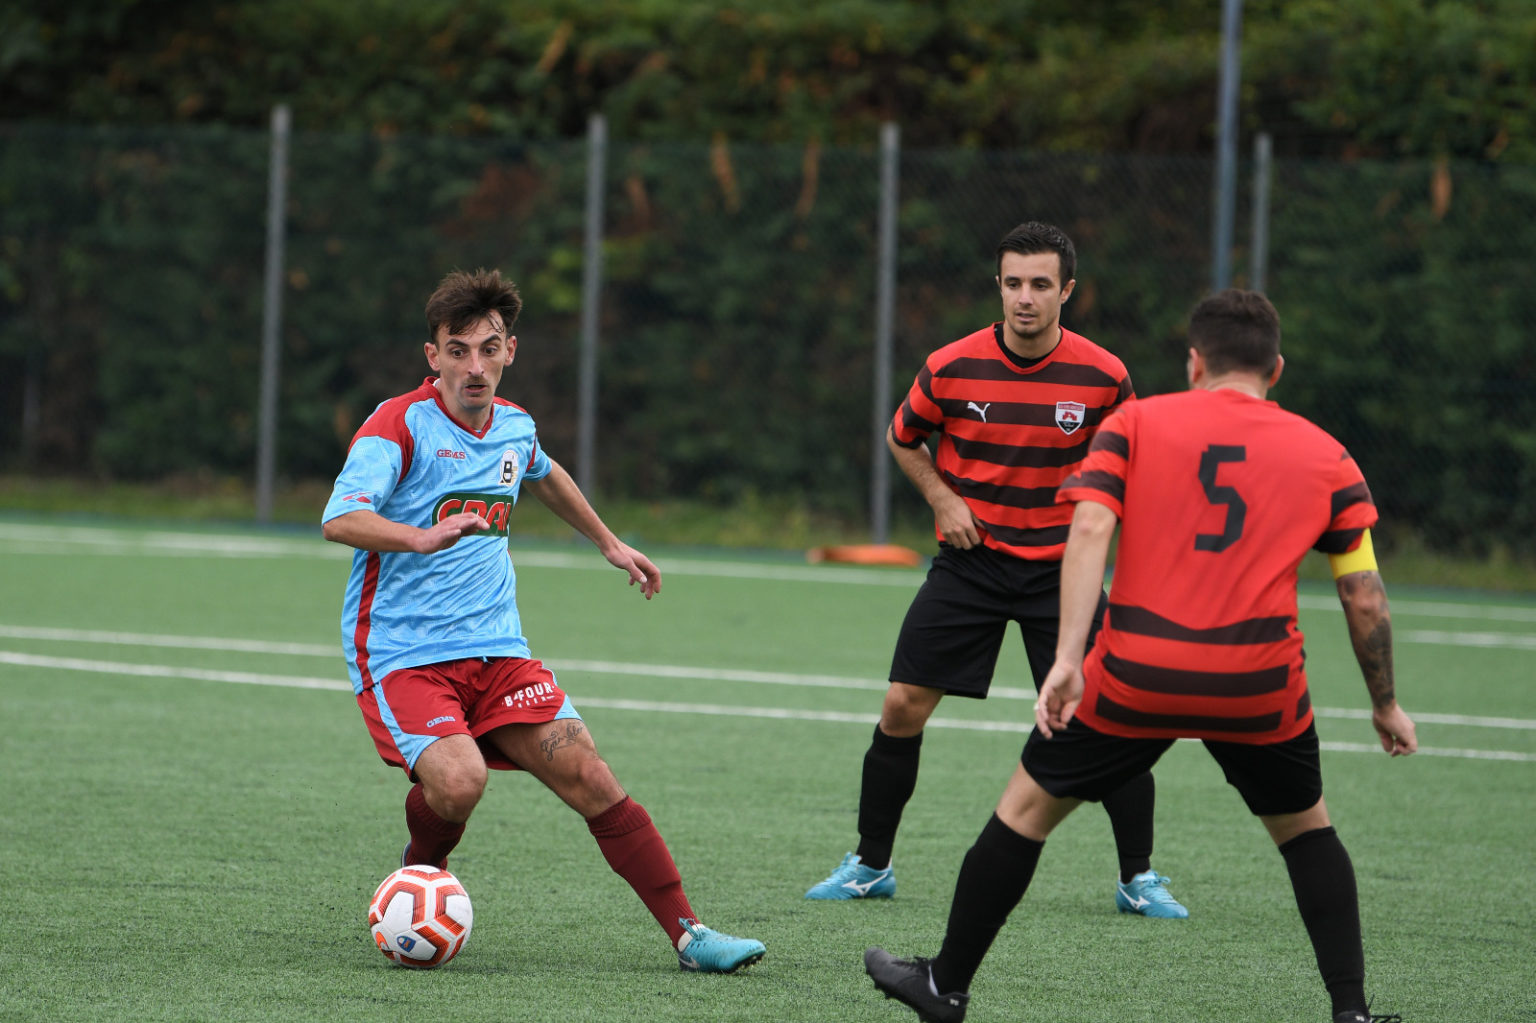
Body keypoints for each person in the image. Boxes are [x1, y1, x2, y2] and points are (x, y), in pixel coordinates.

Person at [863, 288, 1416, 1023]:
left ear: (1194, 364)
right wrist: (1385, 702)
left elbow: (1090, 531)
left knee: (1024, 812)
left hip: (1137, 673)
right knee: (1307, 832)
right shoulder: (1328, 455)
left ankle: (944, 985)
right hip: (1258, 683)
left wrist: (1068, 658)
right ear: (1276, 369)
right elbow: (1365, 596)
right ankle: (1350, 1012)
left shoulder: (1137, 423)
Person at [322, 267, 765, 974]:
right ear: (433, 356)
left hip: (498, 652)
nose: (475, 366)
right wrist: (419, 537)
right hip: (403, 653)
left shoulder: (515, 426)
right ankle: (420, 873)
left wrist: (609, 542)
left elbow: (544, 471)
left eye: (488, 349)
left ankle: (690, 934)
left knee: (592, 774)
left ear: (510, 351)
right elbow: (340, 518)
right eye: (458, 350)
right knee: (460, 782)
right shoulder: (397, 426)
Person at [806, 222, 1184, 918]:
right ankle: (870, 864)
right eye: (1013, 283)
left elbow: (1133, 467)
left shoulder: (1105, 376)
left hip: (1061, 574)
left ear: (1067, 291)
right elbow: (903, 436)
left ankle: (1140, 877)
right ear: (999, 287)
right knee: (901, 705)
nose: (1025, 297)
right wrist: (942, 498)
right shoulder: (950, 365)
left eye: (1040, 284)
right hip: (970, 566)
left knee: (1110, 716)